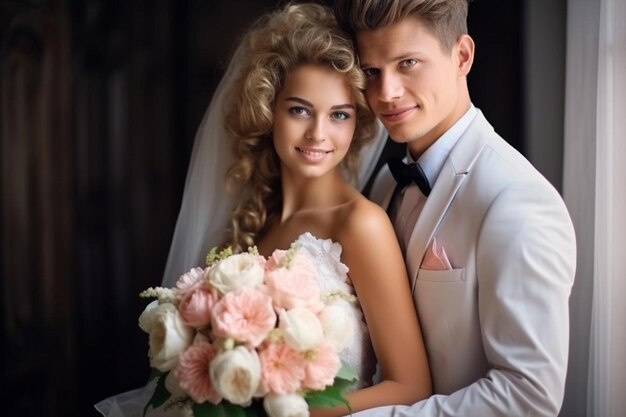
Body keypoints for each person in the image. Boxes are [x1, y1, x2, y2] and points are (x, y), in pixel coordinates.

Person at [95, 3, 431, 417]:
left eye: (339, 115)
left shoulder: (360, 224)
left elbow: (411, 386)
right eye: (299, 110)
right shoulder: (256, 220)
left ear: (357, 122)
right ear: (268, 110)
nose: (318, 134)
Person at [332, 1, 577, 416]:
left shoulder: (517, 200)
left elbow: (528, 397)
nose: (386, 93)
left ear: (462, 56)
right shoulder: (388, 183)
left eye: (407, 63)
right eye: (372, 71)